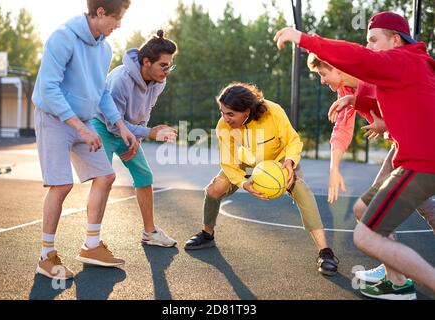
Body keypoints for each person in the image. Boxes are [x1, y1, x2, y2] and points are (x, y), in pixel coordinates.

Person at [274, 11, 435, 299]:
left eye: (374, 40)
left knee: (366, 236)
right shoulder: (412, 62)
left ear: (395, 40)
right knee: (363, 211)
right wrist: (356, 99)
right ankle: (396, 281)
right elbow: (409, 101)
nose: (369, 46)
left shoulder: (399, 59)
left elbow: (359, 58)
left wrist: (305, 39)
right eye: (367, 41)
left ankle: (408, 283)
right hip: (414, 157)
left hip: (422, 161)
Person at [184, 82, 339, 276]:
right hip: (246, 163)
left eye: (230, 114)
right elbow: (229, 163)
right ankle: (207, 234)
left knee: (302, 190)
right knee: (213, 189)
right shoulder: (223, 126)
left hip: (279, 162)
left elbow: (292, 140)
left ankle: (325, 252)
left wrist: (290, 161)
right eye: (222, 112)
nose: (225, 118)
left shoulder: (273, 112)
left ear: (247, 111)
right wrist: (243, 183)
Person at [308, 52, 435, 286]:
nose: (322, 81)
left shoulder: (374, 75)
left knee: (381, 208)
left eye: (323, 74)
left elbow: (413, 109)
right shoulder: (346, 90)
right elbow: (342, 127)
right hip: (402, 146)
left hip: (419, 145)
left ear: (337, 68)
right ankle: (393, 274)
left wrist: (386, 124)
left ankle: (395, 277)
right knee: (379, 208)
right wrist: (334, 166)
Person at [32, 0, 137, 280]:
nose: (119, 25)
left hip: (84, 121)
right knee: (61, 184)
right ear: (100, 12)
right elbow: (49, 88)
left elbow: (101, 91)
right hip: (54, 119)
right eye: (117, 18)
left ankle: (91, 246)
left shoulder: (104, 47)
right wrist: (80, 128)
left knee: (105, 176)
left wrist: (120, 125)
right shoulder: (63, 37)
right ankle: (46, 257)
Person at [92, 30, 178, 247]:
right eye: (163, 65)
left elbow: (145, 111)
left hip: (129, 130)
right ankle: (92, 240)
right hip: (103, 126)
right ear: (146, 62)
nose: (167, 71)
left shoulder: (159, 82)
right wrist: (148, 133)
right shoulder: (121, 79)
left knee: (144, 176)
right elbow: (114, 122)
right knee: (104, 180)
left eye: (170, 66)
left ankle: (150, 233)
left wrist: (137, 138)